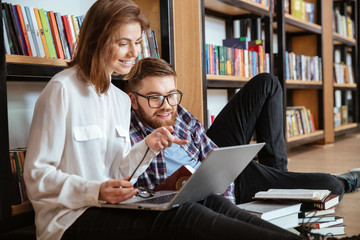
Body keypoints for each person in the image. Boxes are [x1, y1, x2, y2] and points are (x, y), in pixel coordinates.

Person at [23, 1, 306, 240]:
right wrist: (94, 190)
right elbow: (37, 177)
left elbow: (120, 170)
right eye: (124, 44)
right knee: (186, 216)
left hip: (114, 207)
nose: (134, 53)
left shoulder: (119, 99)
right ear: (98, 40)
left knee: (209, 200)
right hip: (70, 221)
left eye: (136, 43)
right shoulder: (61, 90)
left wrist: (148, 146)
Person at [127, 57, 360, 208]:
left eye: (170, 95)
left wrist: (226, 177)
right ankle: (317, 183)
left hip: (222, 171)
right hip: (214, 193)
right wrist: (230, 206)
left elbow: (211, 151)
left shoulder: (175, 110)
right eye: (154, 98)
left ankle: (278, 179)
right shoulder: (128, 137)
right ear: (134, 101)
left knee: (267, 83)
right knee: (332, 186)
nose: (166, 105)